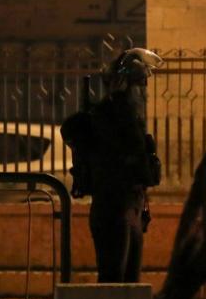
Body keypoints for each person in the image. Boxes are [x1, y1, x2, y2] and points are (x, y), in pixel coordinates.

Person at [60, 48, 163, 283]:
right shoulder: (108, 116)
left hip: (133, 204)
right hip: (113, 205)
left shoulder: (129, 116)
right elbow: (122, 150)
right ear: (124, 85)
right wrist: (117, 100)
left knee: (130, 283)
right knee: (113, 280)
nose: (145, 93)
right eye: (140, 85)